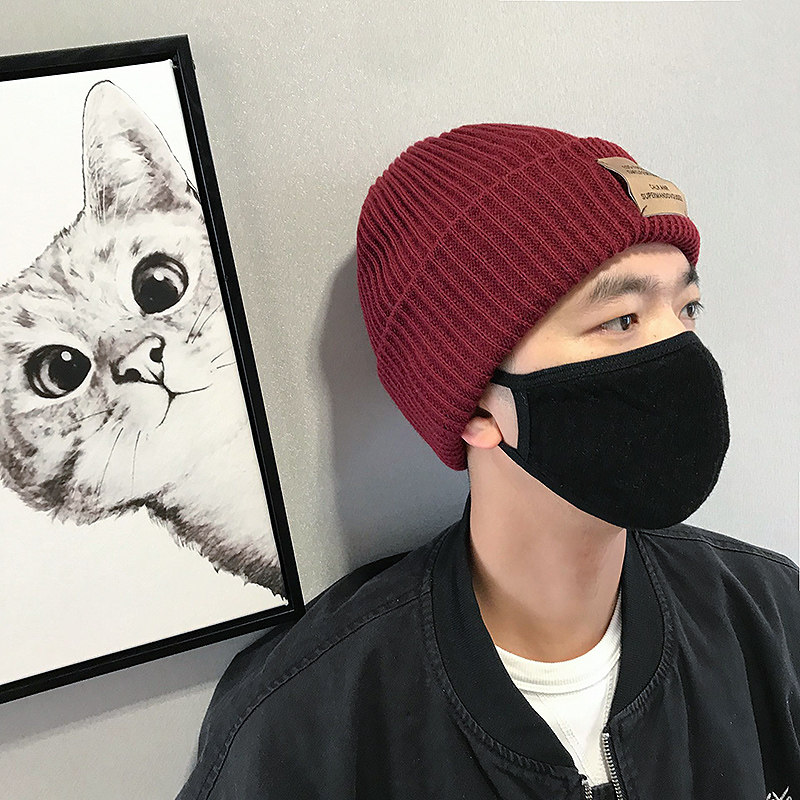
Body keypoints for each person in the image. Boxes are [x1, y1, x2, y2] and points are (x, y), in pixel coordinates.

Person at [177, 124, 800, 800]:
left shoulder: (769, 617)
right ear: (473, 400)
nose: (682, 355)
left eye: (687, 308)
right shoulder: (307, 724)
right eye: (621, 320)